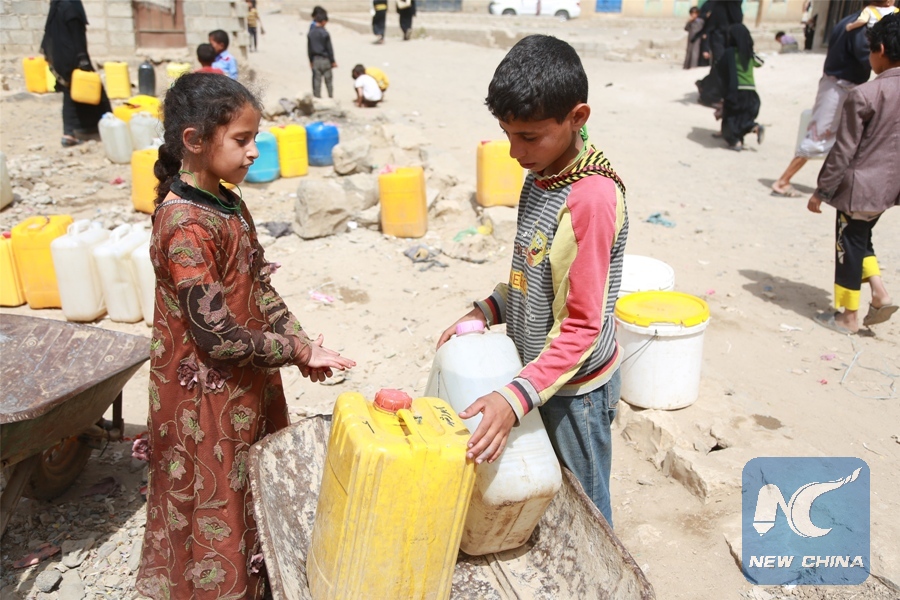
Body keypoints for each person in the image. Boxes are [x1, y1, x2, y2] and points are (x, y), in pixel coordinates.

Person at [134, 72, 355, 599]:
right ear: (194, 140)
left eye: (255, 137)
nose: (255, 151)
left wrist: (303, 343)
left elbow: (258, 287)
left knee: (248, 481)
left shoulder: (228, 201)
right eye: (241, 139)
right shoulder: (185, 224)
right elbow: (216, 336)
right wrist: (293, 350)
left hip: (244, 380)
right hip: (203, 394)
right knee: (215, 496)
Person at [436, 35, 628, 526]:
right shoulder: (542, 174)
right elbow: (531, 273)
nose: (514, 151)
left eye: (528, 137)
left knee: (587, 510)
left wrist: (512, 398)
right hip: (539, 377)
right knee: (546, 488)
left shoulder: (590, 200)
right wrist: (487, 308)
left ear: (577, 117)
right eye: (507, 134)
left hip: (576, 391)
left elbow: (582, 327)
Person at [808, 14, 900, 335]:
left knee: (846, 245)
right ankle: (879, 291)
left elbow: (843, 151)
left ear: (881, 50)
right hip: (889, 190)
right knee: (860, 236)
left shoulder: (865, 94)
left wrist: (822, 190)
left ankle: (848, 316)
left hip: (859, 188)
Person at [770, 11, 872, 197]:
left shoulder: (851, 20)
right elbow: (865, 56)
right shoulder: (861, 25)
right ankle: (783, 181)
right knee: (819, 135)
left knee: (847, 137)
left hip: (839, 86)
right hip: (839, 87)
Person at [40, 0, 112, 147]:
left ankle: (85, 128)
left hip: (59, 56)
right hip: (71, 58)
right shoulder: (71, 6)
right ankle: (105, 127)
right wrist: (82, 59)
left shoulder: (59, 4)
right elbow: (76, 35)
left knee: (72, 93)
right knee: (89, 90)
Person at [716, 23, 764, 151]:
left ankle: (735, 142)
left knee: (731, 118)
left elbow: (720, 69)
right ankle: (754, 127)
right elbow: (760, 62)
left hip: (736, 91)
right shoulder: (748, 54)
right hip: (751, 92)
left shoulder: (730, 53)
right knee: (743, 117)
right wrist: (749, 50)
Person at [694, 0, 743, 106]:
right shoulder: (715, 4)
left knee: (726, 66)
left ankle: (705, 84)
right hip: (718, 35)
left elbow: (738, 19)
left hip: (731, 35)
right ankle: (709, 97)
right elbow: (706, 17)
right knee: (720, 64)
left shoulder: (734, 6)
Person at [308, 10, 337, 98]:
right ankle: (330, 97)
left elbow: (309, 49)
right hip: (325, 60)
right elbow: (329, 49)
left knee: (317, 80)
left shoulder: (311, 33)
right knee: (328, 80)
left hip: (315, 59)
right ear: (323, 21)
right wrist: (333, 61)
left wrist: (311, 61)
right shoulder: (325, 33)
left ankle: (317, 98)